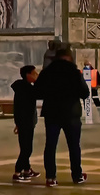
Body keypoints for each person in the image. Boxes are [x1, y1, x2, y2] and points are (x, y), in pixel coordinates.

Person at [36, 44, 89, 186]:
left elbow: (38, 92)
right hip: (71, 113)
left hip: (52, 113)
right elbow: (85, 93)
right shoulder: (74, 72)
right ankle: (77, 175)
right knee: (74, 146)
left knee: (51, 145)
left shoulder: (47, 72)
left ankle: (51, 177)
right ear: (69, 58)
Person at [11, 64, 39, 182]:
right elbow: (39, 93)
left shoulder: (24, 87)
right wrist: (19, 123)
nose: (36, 75)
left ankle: (27, 169)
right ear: (28, 75)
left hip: (25, 122)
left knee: (25, 146)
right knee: (27, 149)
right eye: (34, 73)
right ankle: (17, 172)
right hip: (25, 122)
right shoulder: (26, 89)